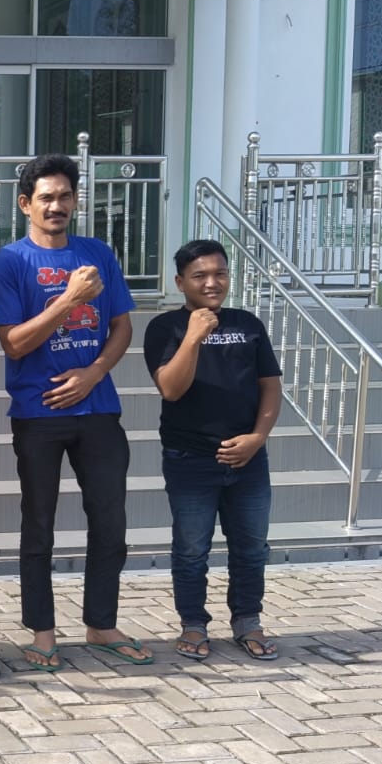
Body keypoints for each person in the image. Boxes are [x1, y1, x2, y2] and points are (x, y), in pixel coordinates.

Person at [0, 153, 151, 671]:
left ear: (75, 201)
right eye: (45, 198)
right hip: (39, 412)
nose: (55, 206)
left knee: (110, 521)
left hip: (98, 408)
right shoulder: (9, 262)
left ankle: (101, 623)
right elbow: (14, 343)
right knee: (39, 524)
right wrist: (69, 298)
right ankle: (42, 632)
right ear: (25, 204)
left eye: (64, 196)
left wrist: (94, 372)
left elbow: (122, 325)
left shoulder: (97, 253)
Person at [144, 239, 282, 662]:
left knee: (251, 547)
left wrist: (258, 437)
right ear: (180, 282)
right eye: (200, 275)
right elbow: (171, 389)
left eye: (219, 273)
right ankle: (193, 624)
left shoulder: (248, 324)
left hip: (248, 458)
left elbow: (270, 387)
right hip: (190, 459)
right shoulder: (164, 328)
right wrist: (193, 337)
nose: (211, 282)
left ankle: (248, 621)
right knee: (191, 549)